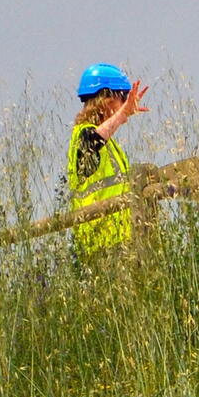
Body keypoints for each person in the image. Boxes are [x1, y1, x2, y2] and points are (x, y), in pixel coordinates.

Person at [67, 63, 150, 254]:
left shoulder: (108, 143)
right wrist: (122, 115)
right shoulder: (84, 136)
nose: (126, 105)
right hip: (101, 243)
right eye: (123, 98)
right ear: (106, 100)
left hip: (116, 239)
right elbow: (91, 144)